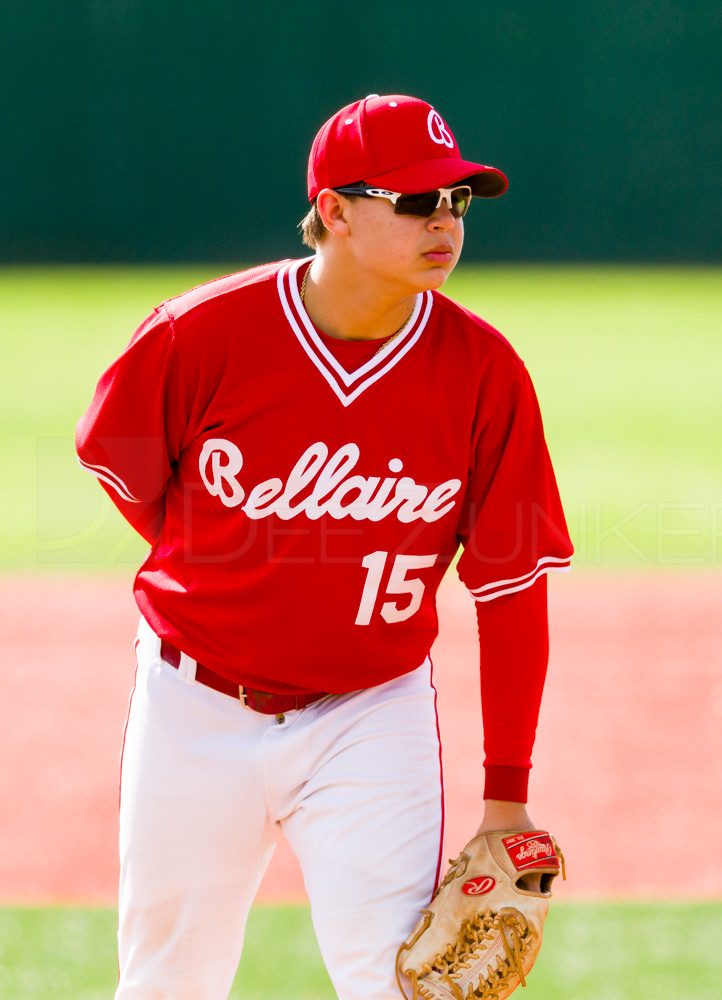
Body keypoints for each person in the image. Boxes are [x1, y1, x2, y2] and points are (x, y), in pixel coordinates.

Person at [76, 93, 573, 1000]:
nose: (445, 223)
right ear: (335, 211)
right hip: (195, 709)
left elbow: (510, 588)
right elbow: (126, 470)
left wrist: (507, 792)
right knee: (165, 986)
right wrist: (232, 561)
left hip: (368, 715)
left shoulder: (483, 371)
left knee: (397, 984)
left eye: (457, 202)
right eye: (418, 202)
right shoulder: (200, 335)